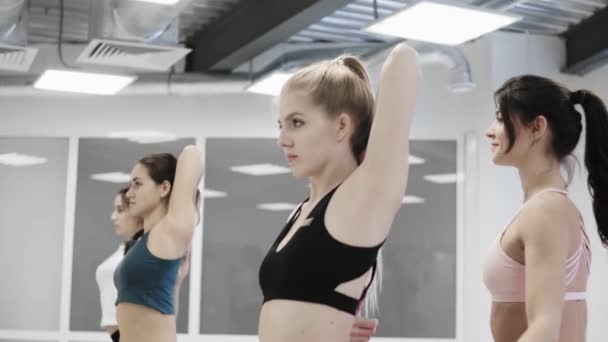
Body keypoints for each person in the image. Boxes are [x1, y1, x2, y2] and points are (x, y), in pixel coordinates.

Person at [258, 42, 421, 341]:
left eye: (297, 123)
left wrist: (341, 70)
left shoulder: (363, 196)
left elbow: (403, 59)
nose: (282, 139)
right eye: (280, 125)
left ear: (341, 126)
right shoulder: (303, 209)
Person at [482, 75, 608, 341]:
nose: (490, 130)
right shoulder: (549, 207)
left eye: (501, 119)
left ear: (537, 127)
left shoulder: (545, 211)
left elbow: (544, 328)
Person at [114, 146, 203, 342]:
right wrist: (176, 283)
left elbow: (192, 155)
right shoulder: (143, 242)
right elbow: (161, 311)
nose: (129, 194)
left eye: (137, 184)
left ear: (164, 188)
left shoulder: (170, 230)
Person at [95, 187, 144, 341]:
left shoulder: (143, 248)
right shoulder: (126, 247)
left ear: (137, 212)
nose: (113, 216)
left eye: (120, 210)